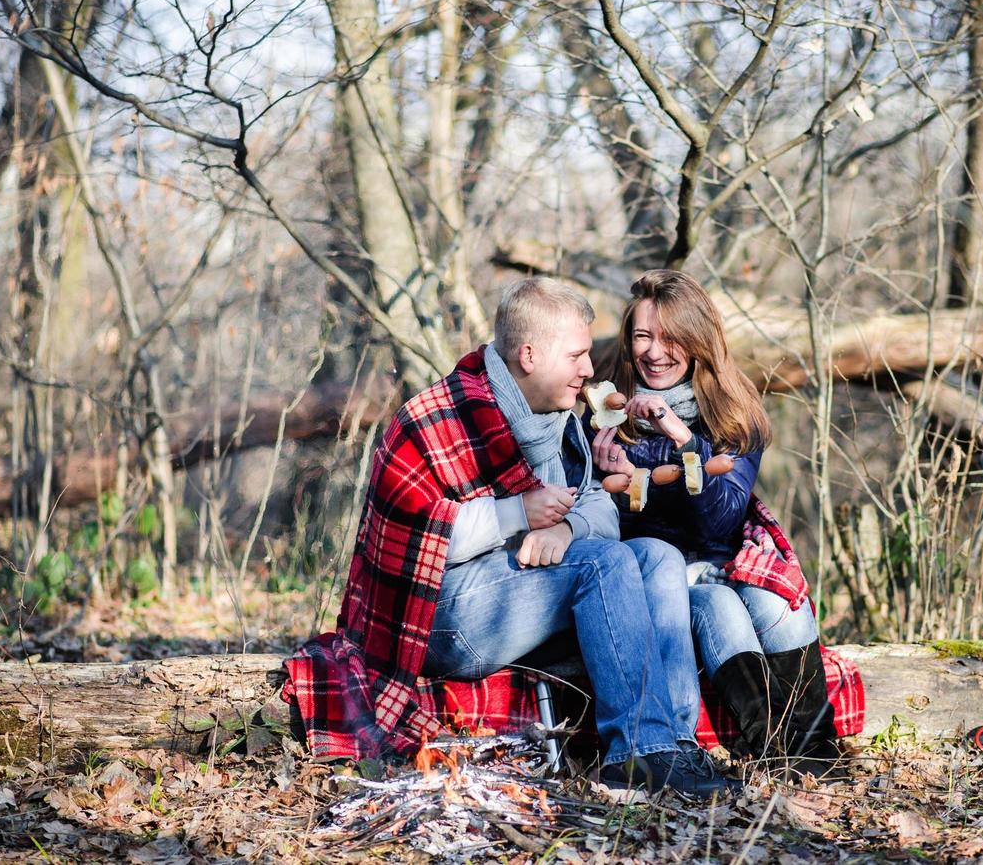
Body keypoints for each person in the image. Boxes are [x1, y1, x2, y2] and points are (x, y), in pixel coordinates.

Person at [281, 277, 738, 797]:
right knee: (602, 565)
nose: (590, 369)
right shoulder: (437, 419)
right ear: (529, 355)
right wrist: (515, 513)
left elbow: (595, 506)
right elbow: (418, 546)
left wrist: (564, 529)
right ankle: (634, 755)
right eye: (577, 355)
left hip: (522, 593)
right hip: (437, 616)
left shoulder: (556, 420)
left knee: (655, 556)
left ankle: (672, 747)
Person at [590, 269, 840, 773]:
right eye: (643, 336)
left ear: (699, 340)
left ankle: (817, 756)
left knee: (777, 599)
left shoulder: (731, 410)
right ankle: (775, 755)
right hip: (660, 577)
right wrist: (604, 479)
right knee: (721, 607)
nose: (655, 351)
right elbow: (602, 523)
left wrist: (681, 435)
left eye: (671, 337)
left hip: (724, 554)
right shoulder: (603, 413)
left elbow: (721, 521)